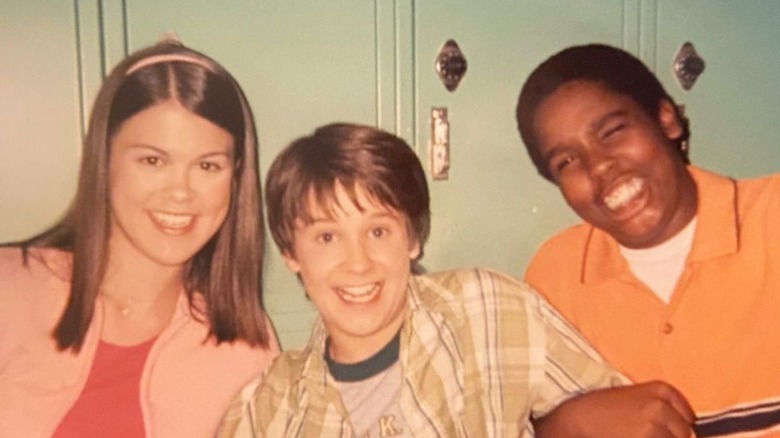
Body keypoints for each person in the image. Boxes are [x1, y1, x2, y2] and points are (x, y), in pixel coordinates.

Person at [217, 122, 698, 438]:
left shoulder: (487, 309)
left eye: (378, 230)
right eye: (326, 237)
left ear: (413, 239)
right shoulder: (268, 410)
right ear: (290, 255)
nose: (357, 262)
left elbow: (630, 421)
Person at [0, 39, 279, 437]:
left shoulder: (246, 346)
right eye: (153, 160)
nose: (180, 192)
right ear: (105, 158)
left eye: (207, 165)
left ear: (235, 177)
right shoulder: (10, 289)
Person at [516, 43, 780, 436]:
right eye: (567, 161)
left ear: (666, 118)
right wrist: (570, 423)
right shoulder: (556, 275)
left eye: (612, 131)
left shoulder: (770, 219)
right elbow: (520, 417)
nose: (600, 166)